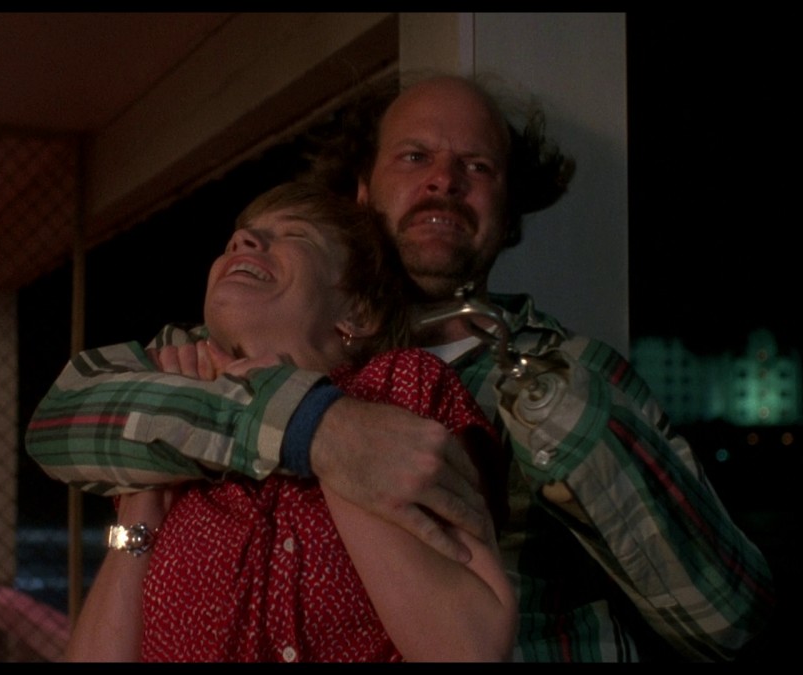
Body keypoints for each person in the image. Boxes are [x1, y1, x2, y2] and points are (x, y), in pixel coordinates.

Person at [25, 72, 776, 662]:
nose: (444, 179)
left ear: (508, 212)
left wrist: (553, 413)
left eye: (476, 165)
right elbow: (61, 421)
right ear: (362, 190)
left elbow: (725, 621)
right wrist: (318, 426)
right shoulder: (220, 348)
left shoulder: (571, 374)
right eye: (415, 157)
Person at [30, 181, 515, 662]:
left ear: (358, 311)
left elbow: (468, 647)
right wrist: (142, 502)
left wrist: (334, 429)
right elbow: (53, 424)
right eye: (236, 239)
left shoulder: (401, 386)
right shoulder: (179, 411)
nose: (243, 241)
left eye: (295, 234)